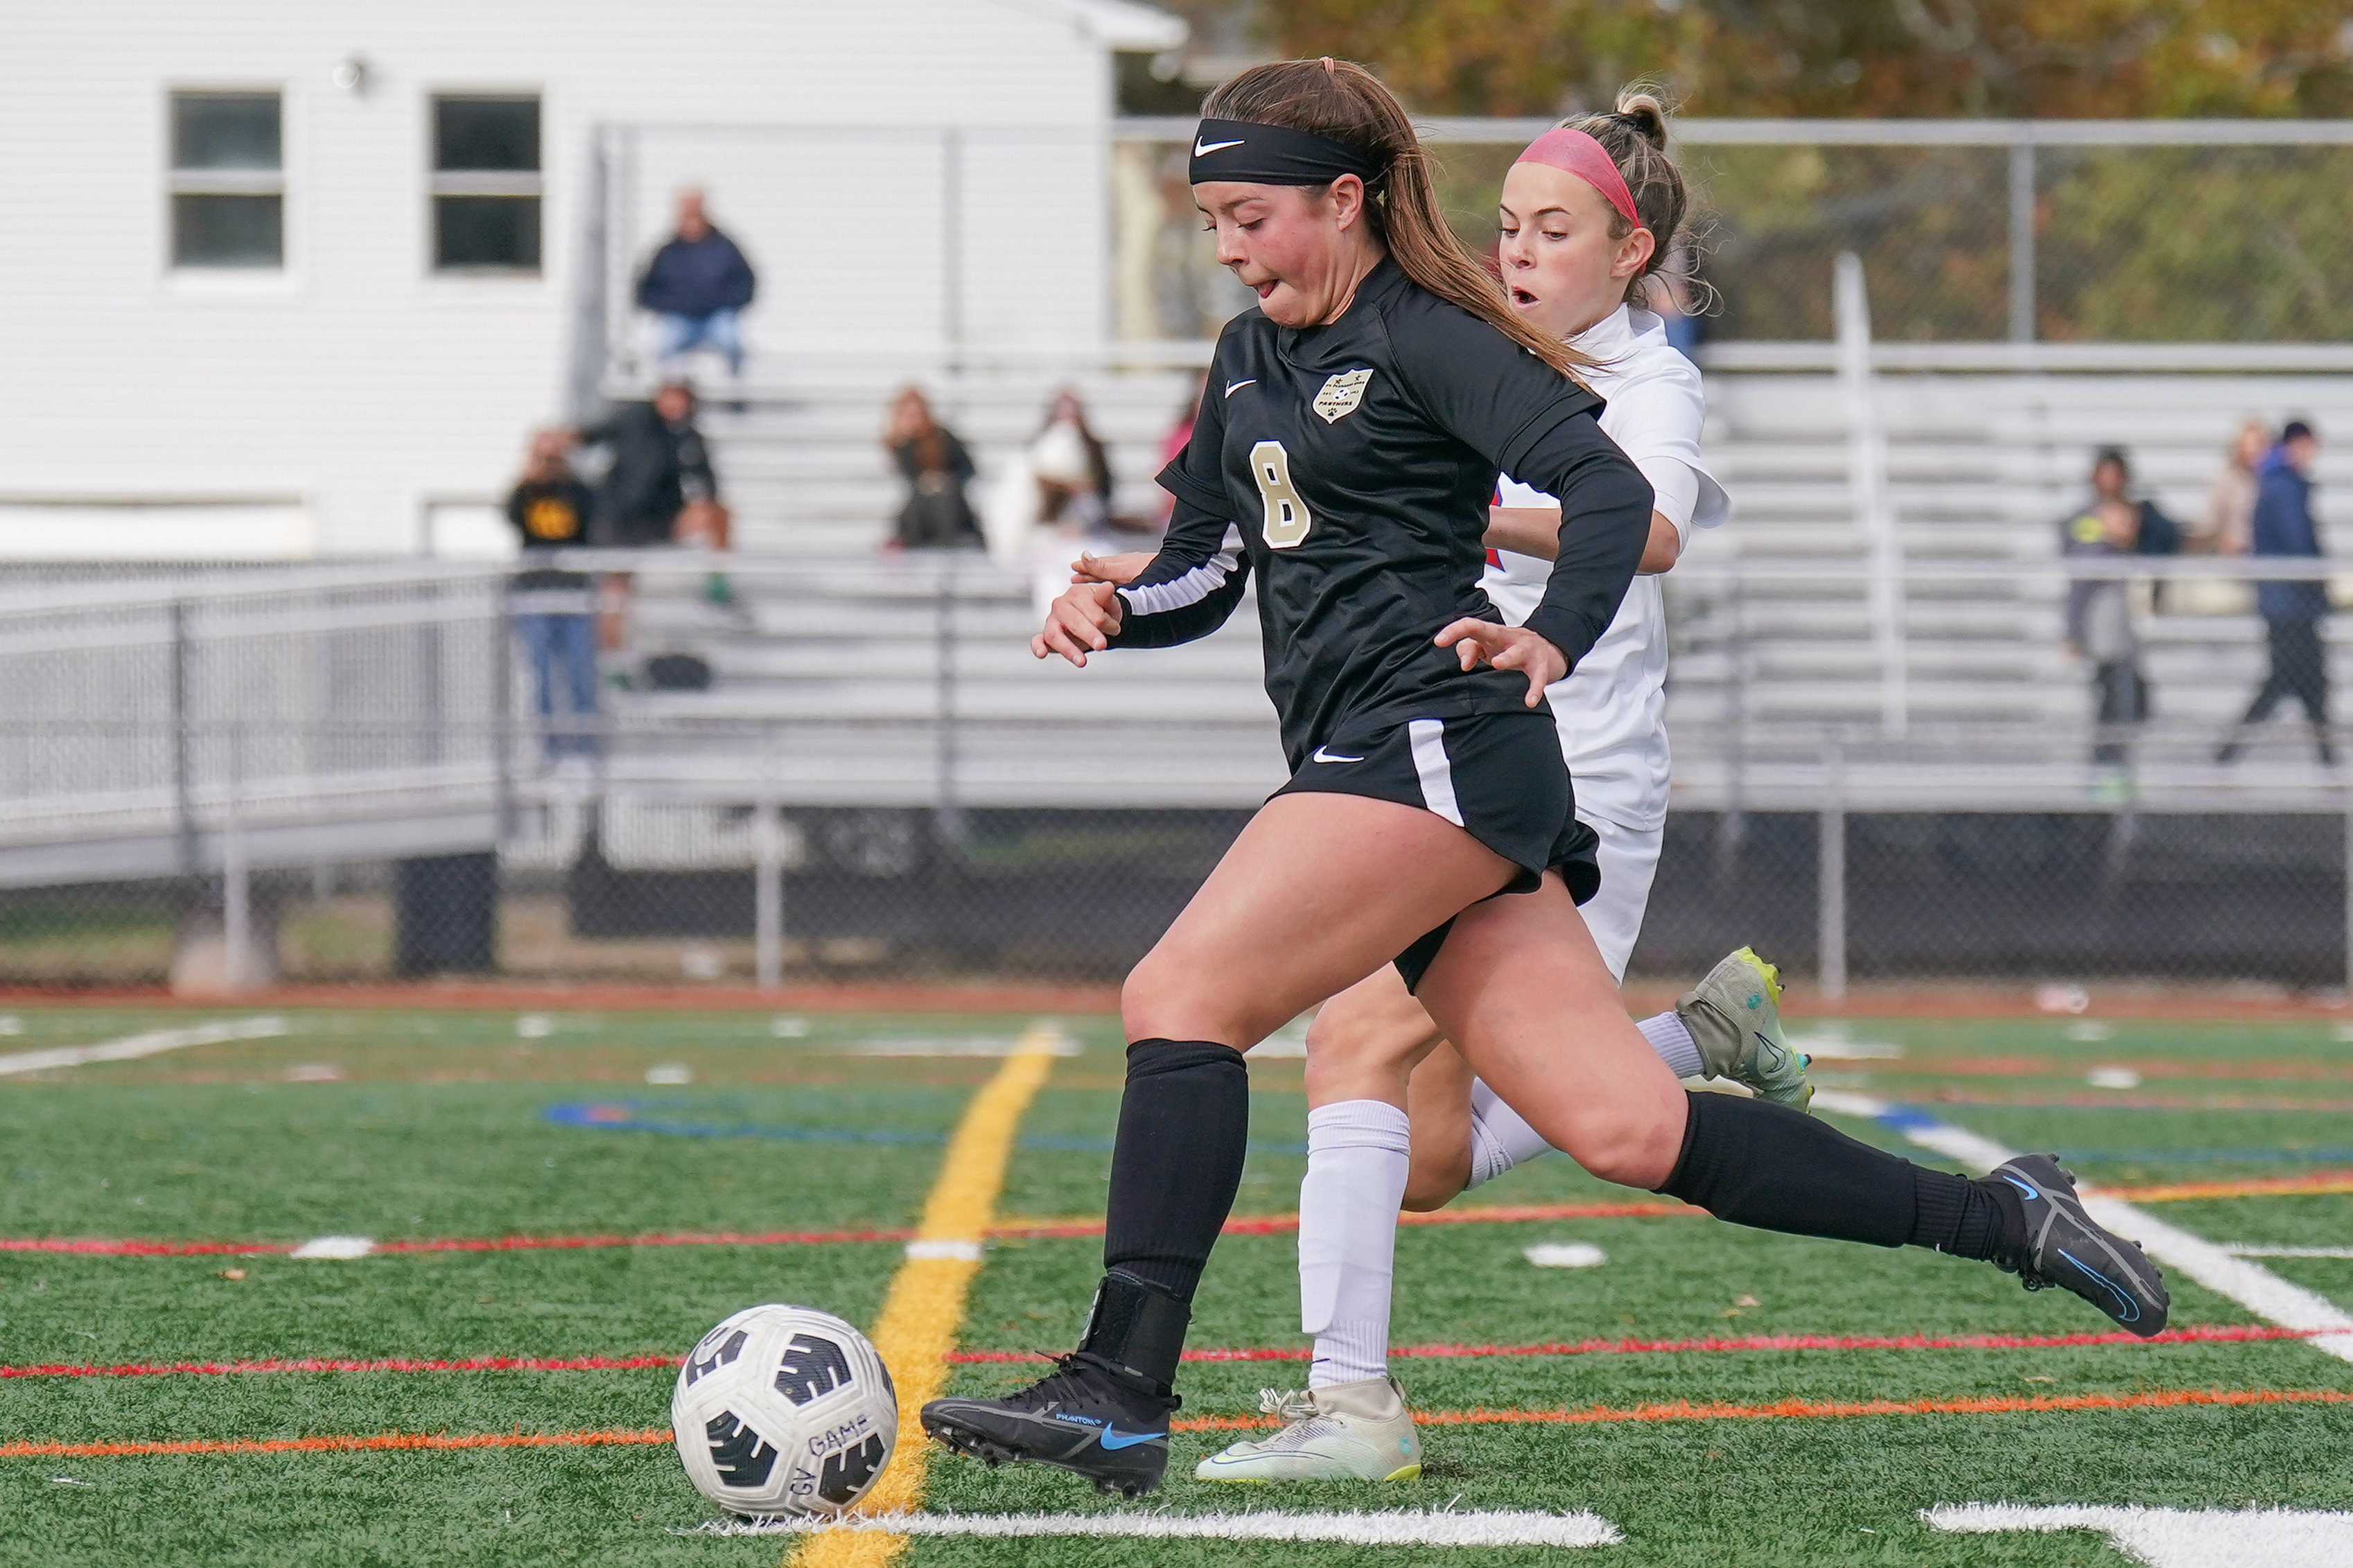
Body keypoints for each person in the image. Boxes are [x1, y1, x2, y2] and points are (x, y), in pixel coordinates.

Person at [917, 58, 2169, 1502]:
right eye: (1211, 223)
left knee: (1177, 996)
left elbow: (1612, 499)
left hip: (1424, 745)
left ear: (1344, 200)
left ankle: (1119, 1390)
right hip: (1399, 762)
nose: (1229, 247)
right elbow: (1209, 559)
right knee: (1621, 1127)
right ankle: (2000, 1216)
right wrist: (1116, 604)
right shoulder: (1244, 356)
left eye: (1250, 215)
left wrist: (1547, 636)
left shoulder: (1429, 339)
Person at [1167, 87, 1816, 1484]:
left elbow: (1637, 529)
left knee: (1345, 1046)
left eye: (1553, 230)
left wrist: (1449, 505)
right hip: (1453, 756)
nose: (1516, 251)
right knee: (1431, 1156)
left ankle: (1346, 1412)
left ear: (1626, 253)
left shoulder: (1649, 380)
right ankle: (1704, 1037)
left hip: (1568, 779)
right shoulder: (1467, 339)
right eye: (1506, 223)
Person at [2061, 447, 2180, 781]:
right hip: (2104, 633)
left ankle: (2113, 769)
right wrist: (2072, 633)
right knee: (2113, 706)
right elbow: (2081, 576)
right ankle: (2105, 772)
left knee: (2132, 702)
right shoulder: (2088, 521)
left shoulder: (2134, 515)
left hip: (2126, 633)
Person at [2219, 419, 2332, 766]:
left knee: (2306, 682)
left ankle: (2329, 762)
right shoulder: (2285, 485)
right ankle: (2226, 754)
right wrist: (2316, 581)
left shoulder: (2277, 481)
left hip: (2287, 601)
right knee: (2293, 680)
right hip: (2290, 603)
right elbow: (2297, 541)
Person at [575, 382, 719, 651]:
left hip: (660, 520)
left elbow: (708, 482)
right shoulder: (633, 421)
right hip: (620, 521)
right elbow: (591, 435)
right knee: (615, 594)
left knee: (716, 514)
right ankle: (613, 660)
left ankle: (719, 580)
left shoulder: (688, 438)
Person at [504, 430, 600, 761]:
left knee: (579, 676)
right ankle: (549, 750)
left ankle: (584, 750)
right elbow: (512, 517)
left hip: (574, 595)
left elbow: (590, 519)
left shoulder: (578, 491)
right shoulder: (525, 492)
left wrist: (565, 471)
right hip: (534, 596)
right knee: (541, 676)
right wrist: (530, 475)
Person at [636, 189, 756, 385]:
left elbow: (745, 283)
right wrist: (673, 305)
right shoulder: (666, 252)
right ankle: (668, 407)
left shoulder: (725, 248)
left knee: (732, 344)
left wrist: (723, 303)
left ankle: (735, 401)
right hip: (679, 319)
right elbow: (646, 290)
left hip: (716, 318)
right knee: (663, 347)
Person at [882, 387, 980, 550]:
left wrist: (943, 482)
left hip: (950, 503)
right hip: (920, 509)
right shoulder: (901, 444)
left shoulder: (943, 437)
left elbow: (967, 468)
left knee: (942, 503)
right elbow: (909, 477)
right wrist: (906, 442)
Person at [2196, 419, 2268, 556]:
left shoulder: (2270, 482)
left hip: (2264, 561)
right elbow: (2207, 523)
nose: (2253, 450)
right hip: (2232, 562)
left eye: (2259, 444)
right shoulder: (2226, 478)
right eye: (2248, 445)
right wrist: (2222, 540)